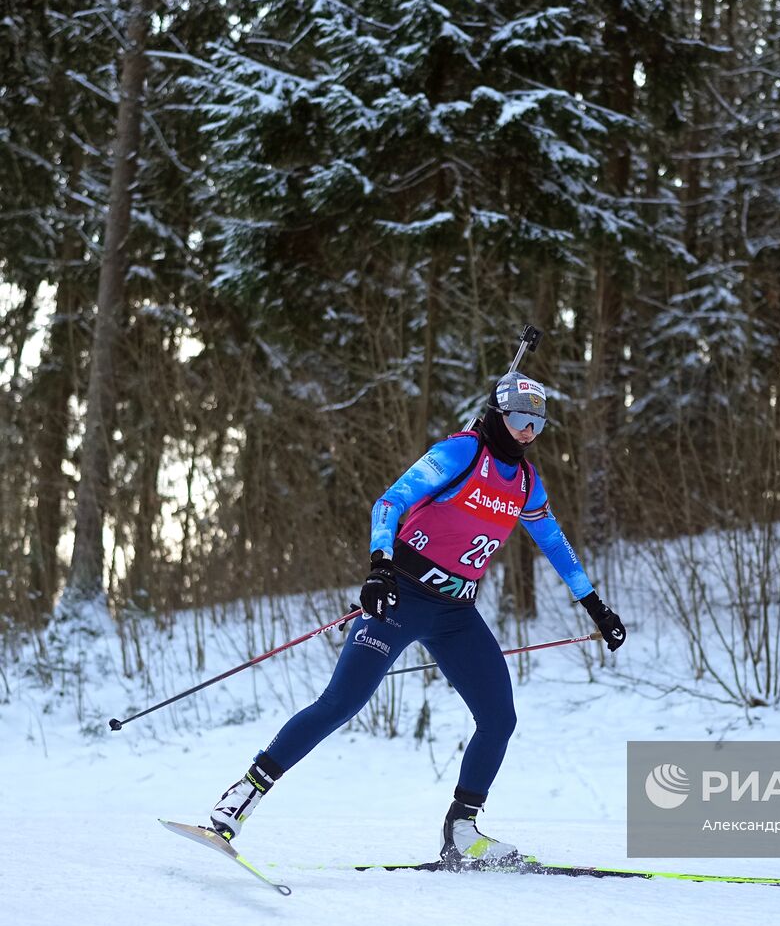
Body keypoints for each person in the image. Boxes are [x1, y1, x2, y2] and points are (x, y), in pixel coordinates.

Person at [205, 371, 627, 866]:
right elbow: (389, 502)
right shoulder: (459, 454)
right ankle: (241, 798)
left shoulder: (528, 484)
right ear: (497, 413)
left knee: (499, 718)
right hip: (400, 597)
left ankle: (463, 831)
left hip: (456, 613)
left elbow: (554, 543)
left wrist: (594, 605)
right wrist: (379, 568)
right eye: (518, 418)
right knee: (340, 703)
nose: (527, 431)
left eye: (537, 422)